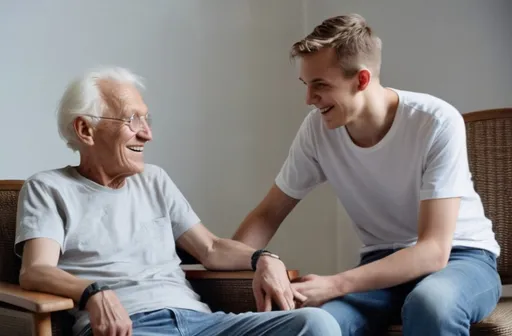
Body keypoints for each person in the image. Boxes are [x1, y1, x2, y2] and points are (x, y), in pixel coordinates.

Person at [14, 67, 341, 336]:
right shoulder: (49, 188)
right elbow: (36, 271)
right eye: (132, 121)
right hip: (127, 328)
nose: (147, 134)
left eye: (147, 120)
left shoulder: (154, 179)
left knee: (316, 323)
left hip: (202, 323)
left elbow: (210, 249)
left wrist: (264, 258)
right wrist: (92, 292)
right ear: (86, 129)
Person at [232, 13, 502, 336]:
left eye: (320, 86)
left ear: (361, 80)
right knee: (315, 324)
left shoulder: (436, 122)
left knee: (429, 305)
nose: (308, 100)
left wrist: (334, 284)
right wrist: (239, 265)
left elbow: (433, 251)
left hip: (462, 259)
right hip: (380, 266)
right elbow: (267, 215)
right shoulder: (317, 131)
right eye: (306, 85)